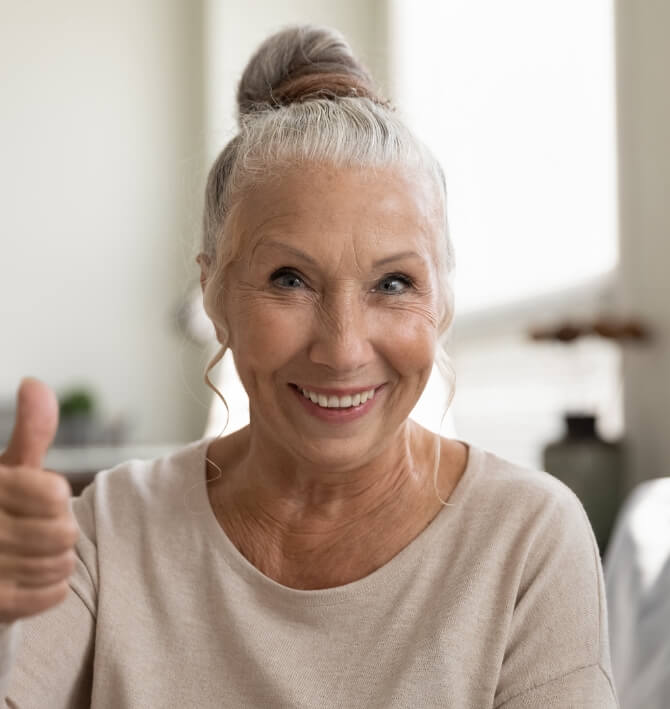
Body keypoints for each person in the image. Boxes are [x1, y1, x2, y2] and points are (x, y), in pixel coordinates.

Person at [0, 25, 618, 708]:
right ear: (213, 291)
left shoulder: (527, 540)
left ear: (441, 300)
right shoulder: (109, 532)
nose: (343, 349)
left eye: (392, 284)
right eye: (290, 279)